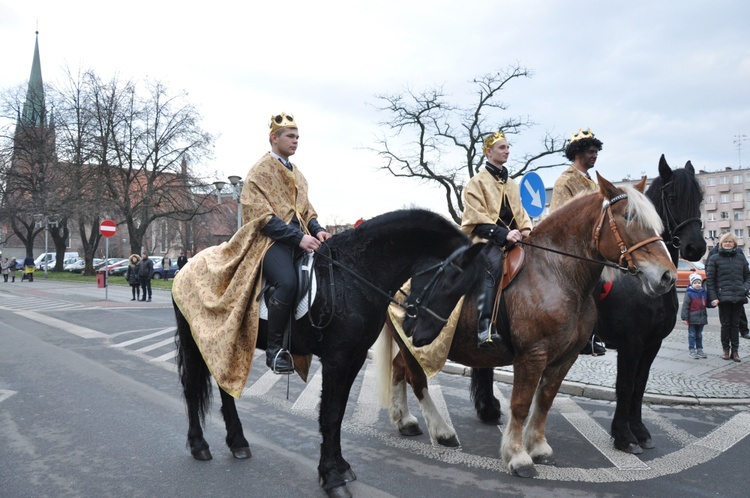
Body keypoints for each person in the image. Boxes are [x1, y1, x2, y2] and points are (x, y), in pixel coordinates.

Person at [172, 112, 331, 381]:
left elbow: (307, 210)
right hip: (269, 242)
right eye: (290, 137)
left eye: (297, 137)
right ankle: (275, 349)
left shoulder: (299, 175)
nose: (295, 142)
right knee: (287, 283)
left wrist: (318, 229)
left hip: (300, 239)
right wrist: (298, 237)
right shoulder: (259, 171)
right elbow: (261, 217)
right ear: (274, 138)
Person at [461, 131, 532, 348]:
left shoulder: (512, 184)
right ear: (488, 152)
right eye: (502, 148)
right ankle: (485, 326)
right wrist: (503, 235)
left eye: (508, 147)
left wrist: (526, 230)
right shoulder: (476, 182)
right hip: (486, 240)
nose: (507, 151)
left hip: (513, 238)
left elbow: (520, 213)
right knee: (491, 263)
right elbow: (476, 219)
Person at [550, 127, 606, 355]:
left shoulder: (594, 183)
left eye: (596, 151)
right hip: (574, 251)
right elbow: (559, 218)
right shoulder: (565, 181)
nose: (594, 155)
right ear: (577, 153)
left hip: (596, 248)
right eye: (590, 151)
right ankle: (586, 336)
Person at [706, 233, 750, 362]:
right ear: (721, 243)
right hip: (723, 297)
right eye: (725, 242)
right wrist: (713, 297)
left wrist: (745, 287)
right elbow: (710, 281)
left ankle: (735, 352)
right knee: (726, 325)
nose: (727, 244)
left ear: (734, 244)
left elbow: (748, 276)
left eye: (730, 242)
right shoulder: (715, 258)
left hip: (738, 296)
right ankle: (726, 350)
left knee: (735, 325)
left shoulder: (740, 258)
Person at [681, 273, 710, 359]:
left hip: (702, 318)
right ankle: (692, 350)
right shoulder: (689, 293)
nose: (697, 284)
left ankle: (699, 349)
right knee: (692, 334)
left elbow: (707, 303)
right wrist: (684, 318)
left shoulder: (704, 293)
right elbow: (685, 306)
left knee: (699, 335)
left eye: (699, 282)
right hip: (692, 318)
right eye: (695, 283)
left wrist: (713, 304)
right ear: (691, 283)